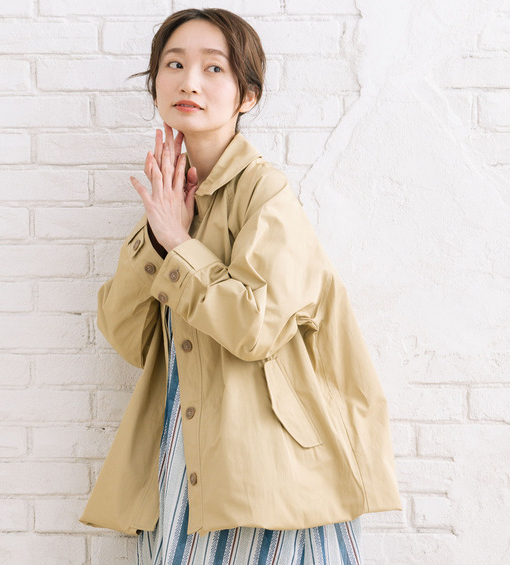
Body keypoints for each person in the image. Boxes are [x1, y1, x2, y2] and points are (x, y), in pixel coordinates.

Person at [79, 8, 402, 564]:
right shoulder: (171, 202)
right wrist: (159, 236)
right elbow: (127, 337)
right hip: (186, 455)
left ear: (247, 95)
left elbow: (255, 327)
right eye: (174, 65)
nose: (189, 82)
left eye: (214, 68)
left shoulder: (266, 194)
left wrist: (178, 243)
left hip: (266, 464)